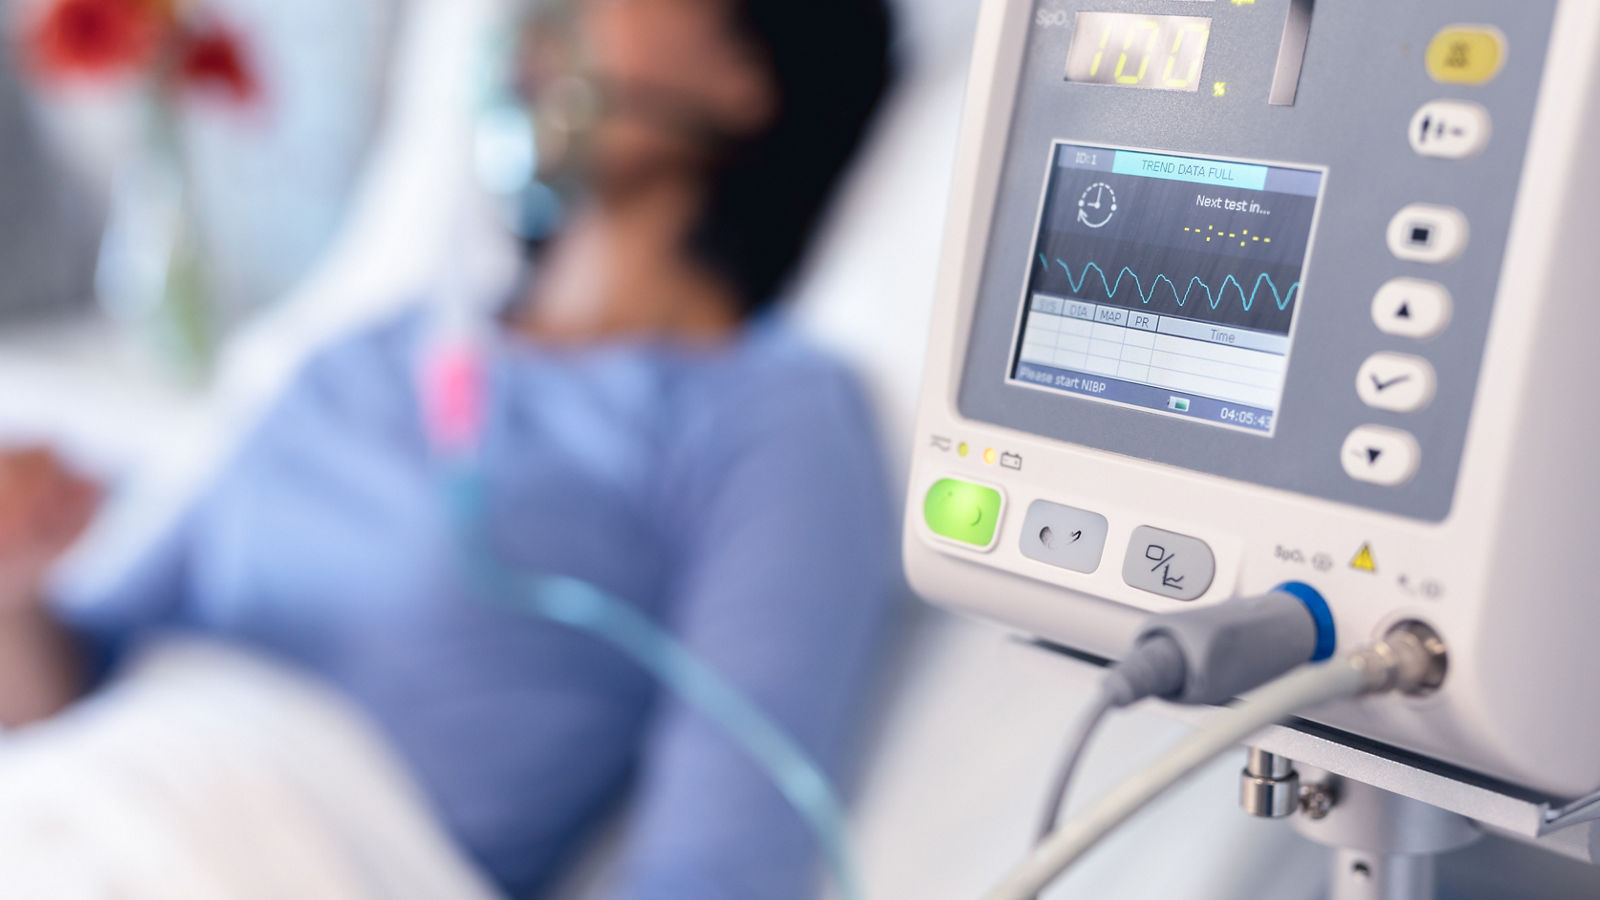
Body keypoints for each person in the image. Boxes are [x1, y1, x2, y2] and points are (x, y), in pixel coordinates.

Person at [0, 0, 897, 896]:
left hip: (276, 848)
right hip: (92, 789)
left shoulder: (767, 418)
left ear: (745, 78)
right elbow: (79, 672)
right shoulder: (373, 351)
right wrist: (14, 581)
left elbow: (715, 870)